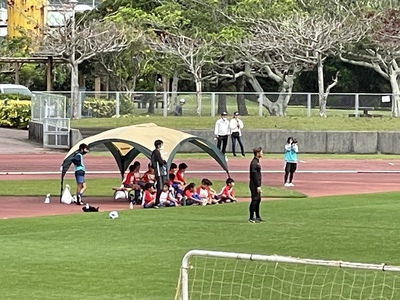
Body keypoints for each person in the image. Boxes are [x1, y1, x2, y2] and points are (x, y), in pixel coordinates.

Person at [249, 146, 263, 223]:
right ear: (257, 153)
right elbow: (254, 175)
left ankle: (257, 216)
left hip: (257, 184)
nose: (262, 153)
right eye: (261, 152)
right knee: (254, 200)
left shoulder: (256, 161)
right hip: (254, 184)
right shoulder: (254, 163)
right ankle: (251, 217)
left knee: (258, 200)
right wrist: (258, 185)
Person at [151, 139, 167, 205]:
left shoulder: (156, 152)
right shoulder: (156, 152)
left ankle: (158, 201)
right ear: (158, 145)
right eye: (161, 145)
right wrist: (164, 161)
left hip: (160, 171)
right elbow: (160, 162)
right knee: (160, 187)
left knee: (161, 186)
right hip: (159, 172)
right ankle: (157, 202)